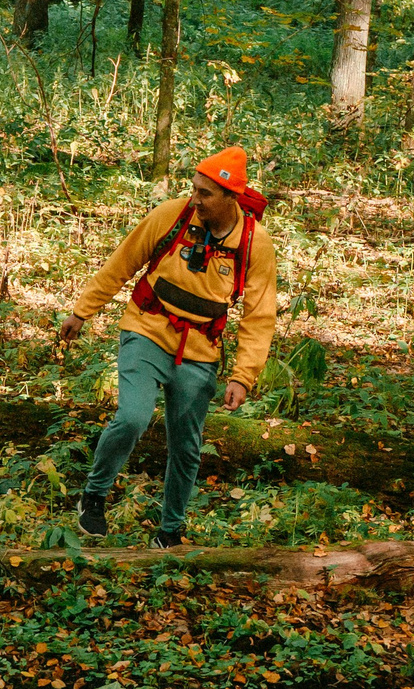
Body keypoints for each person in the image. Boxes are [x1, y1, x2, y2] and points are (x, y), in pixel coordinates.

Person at [58, 147, 279, 547]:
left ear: (232, 197)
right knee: (133, 416)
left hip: (199, 350)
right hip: (147, 328)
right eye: (193, 189)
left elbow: (259, 316)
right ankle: (93, 494)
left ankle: (169, 532)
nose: (195, 199)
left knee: (187, 445)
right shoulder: (173, 215)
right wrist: (82, 311)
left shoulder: (254, 242)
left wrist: (243, 377)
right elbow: (123, 261)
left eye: (205, 194)